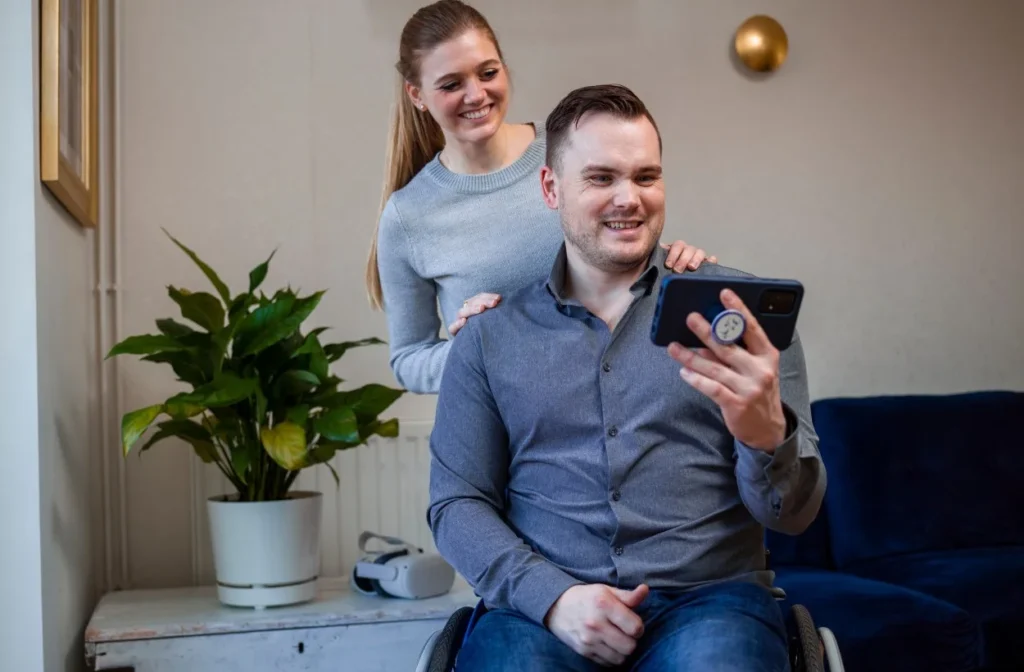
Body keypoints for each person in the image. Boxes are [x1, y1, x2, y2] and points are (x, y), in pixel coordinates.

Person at [427, 83, 827, 671]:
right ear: (550, 188)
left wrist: (764, 435)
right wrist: (553, 598)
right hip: (541, 615)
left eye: (646, 176)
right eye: (601, 178)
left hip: (711, 603)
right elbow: (457, 503)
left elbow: (793, 515)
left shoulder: (739, 321)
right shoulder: (490, 337)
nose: (629, 198)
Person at [365, 0, 718, 395]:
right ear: (417, 94)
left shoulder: (569, 150)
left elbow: (627, 241)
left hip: (621, 401)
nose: (476, 94)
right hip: (511, 431)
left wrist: (672, 262)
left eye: (488, 72)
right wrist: (477, 348)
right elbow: (410, 358)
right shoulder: (407, 216)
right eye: (451, 84)